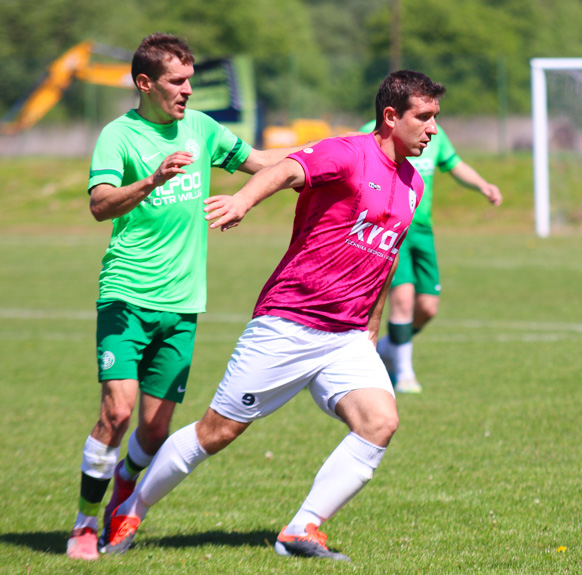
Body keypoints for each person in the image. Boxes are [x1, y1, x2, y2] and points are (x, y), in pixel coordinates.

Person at [101, 69, 444, 562]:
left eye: (436, 117)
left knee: (380, 422)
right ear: (391, 117)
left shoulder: (411, 184)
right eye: (424, 117)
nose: (433, 128)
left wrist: (370, 324)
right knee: (215, 432)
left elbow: (384, 258)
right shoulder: (346, 153)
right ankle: (131, 506)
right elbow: (284, 171)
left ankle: (301, 529)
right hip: (289, 322)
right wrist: (242, 200)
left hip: (346, 337)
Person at [67, 32, 311, 561]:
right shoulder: (118, 136)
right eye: (178, 83)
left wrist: (331, 152)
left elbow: (262, 159)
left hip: (182, 304)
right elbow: (100, 205)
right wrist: (152, 180)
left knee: (155, 430)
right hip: (127, 294)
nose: (188, 92)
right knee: (119, 411)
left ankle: (123, 495)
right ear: (145, 83)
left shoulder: (200, 128)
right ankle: (85, 523)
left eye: (191, 81)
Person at [358, 119, 502, 394]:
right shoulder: (370, 132)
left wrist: (483, 185)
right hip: (390, 227)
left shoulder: (435, 135)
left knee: (428, 308)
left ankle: (389, 348)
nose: (430, 122)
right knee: (402, 300)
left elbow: (454, 164)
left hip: (423, 232)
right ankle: (404, 374)